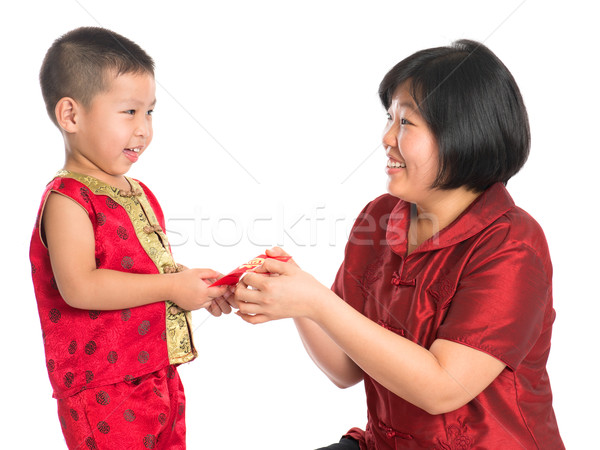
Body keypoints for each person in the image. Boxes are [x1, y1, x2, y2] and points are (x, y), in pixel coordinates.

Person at [234, 40, 564, 449]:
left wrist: (316, 302)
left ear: (462, 132)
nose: (387, 137)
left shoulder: (512, 243)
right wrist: (296, 296)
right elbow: (344, 370)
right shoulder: (380, 215)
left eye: (406, 123)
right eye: (389, 118)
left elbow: (443, 386)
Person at [30, 26, 231, 449]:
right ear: (71, 115)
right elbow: (80, 286)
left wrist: (188, 282)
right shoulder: (68, 199)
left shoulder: (136, 192)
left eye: (150, 113)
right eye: (129, 112)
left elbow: (137, 271)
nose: (144, 130)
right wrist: (172, 286)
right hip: (103, 389)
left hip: (157, 374)